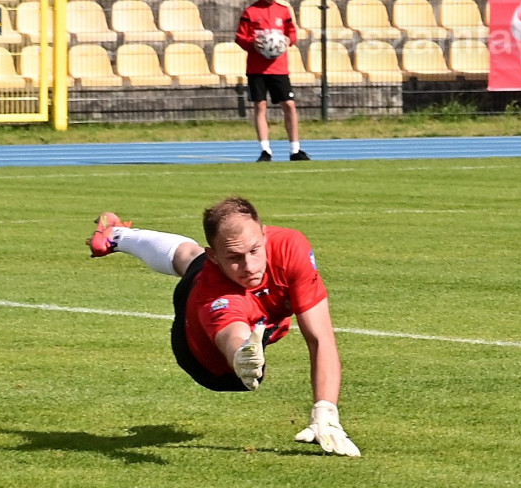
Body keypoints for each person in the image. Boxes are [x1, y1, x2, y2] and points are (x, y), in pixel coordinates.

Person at [85, 198, 360, 456]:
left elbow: (320, 337)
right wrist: (242, 356)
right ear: (215, 257)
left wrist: (325, 412)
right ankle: (118, 236)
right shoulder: (214, 293)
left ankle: (115, 235)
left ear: (264, 235)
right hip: (205, 357)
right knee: (195, 265)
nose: (249, 266)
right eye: (234, 257)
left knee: (189, 256)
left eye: (254, 250)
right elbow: (232, 333)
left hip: (245, 304)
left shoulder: (290, 248)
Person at [235, 0, 310, 162]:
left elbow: (292, 33)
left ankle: (295, 149)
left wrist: (287, 42)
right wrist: (252, 43)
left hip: (279, 68)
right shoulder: (251, 12)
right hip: (257, 69)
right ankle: (265, 150)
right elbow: (240, 37)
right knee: (260, 106)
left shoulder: (283, 11)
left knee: (289, 105)